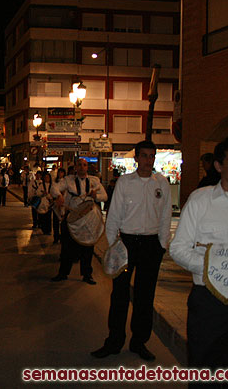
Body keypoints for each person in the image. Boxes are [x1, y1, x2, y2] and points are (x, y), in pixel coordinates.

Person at [169, 137, 228, 388]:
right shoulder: (200, 200)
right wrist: (215, 266)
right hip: (209, 298)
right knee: (204, 365)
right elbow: (178, 248)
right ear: (218, 166)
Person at [91, 140, 171, 361]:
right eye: (144, 156)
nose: (148, 160)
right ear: (136, 158)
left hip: (151, 245)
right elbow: (114, 215)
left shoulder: (162, 183)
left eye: (151, 156)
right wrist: (113, 245)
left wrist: (162, 244)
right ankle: (114, 341)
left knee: (145, 296)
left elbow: (165, 216)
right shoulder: (125, 183)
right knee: (119, 295)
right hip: (126, 244)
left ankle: (139, 342)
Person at [52, 158, 107, 285]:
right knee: (66, 247)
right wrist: (59, 196)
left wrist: (96, 196)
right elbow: (54, 187)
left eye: (85, 165)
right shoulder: (68, 180)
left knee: (88, 247)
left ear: (87, 167)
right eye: (79, 165)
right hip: (72, 218)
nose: (82, 167)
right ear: (75, 167)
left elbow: (105, 196)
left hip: (88, 220)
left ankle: (87, 274)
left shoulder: (95, 181)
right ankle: (63, 273)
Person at [28, 170, 62, 237]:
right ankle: (44, 229)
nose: (47, 179)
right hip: (43, 203)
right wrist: (42, 194)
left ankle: (48, 230)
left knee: (48, 217)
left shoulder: (52, 186)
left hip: (50, 204)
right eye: (45, 177)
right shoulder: (41, 185)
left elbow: (54, 194)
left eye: (48, 177)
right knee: (43, 217)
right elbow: (38, 193)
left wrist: (49, 195)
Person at [52, 168, 67, 243]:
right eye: (60, 172)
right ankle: (56, 236)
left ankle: (63, 237)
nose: (61, 174)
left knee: (63, 222)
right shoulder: (55, 182)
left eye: (62, 172)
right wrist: (59, 194)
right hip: (57, 203)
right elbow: (53, 190)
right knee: (56, 221)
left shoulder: (66, 182)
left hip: (64, 203)